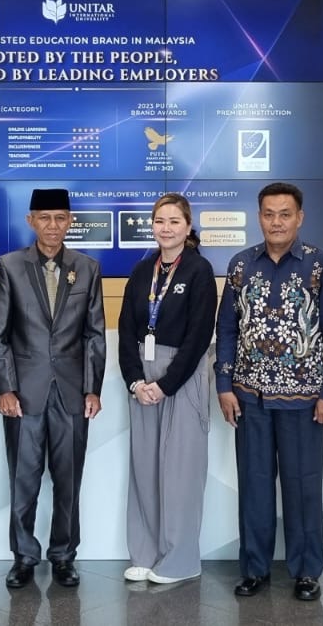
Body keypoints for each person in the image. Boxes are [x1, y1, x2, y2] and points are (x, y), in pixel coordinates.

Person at [214, 182, 323, 602]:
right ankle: (254, 569)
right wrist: (224, 384)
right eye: (269, 214)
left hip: (305, 401)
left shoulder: (320, 265)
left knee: (302, 487)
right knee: (254, 487)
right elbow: (226, 330)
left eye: (285, 214)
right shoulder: (240, 265)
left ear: (299, 218)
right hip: (249, 398)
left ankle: (306, 572)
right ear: (259, 217)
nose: (276, 222)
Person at [0, 188, 106, 589]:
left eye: (60, 218)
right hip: (24, 393)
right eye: (44, 217)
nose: (52, 226)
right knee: (23, 479)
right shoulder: (9, 266)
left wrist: (93, 388)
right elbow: (0, 335)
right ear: (31, 221)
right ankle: (23, 557)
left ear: (70, 221)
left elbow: (94, 335)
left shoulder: (87, 268)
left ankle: (63, 556)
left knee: (68, 480)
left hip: (72, 393)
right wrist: (5, 387)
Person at [118, 193, 216, 585]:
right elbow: (127, 330)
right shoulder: (143, 270)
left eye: (175, 221)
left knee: (180, 472)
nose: (166, 228)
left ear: (188, 227)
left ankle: (180, 560)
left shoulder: (199, 270)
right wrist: (135, 381)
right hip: (143, 379)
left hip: (181, 377)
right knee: (144, 469)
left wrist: (165, 385)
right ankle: (145, 553)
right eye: (160, 221)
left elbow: (199, 336)